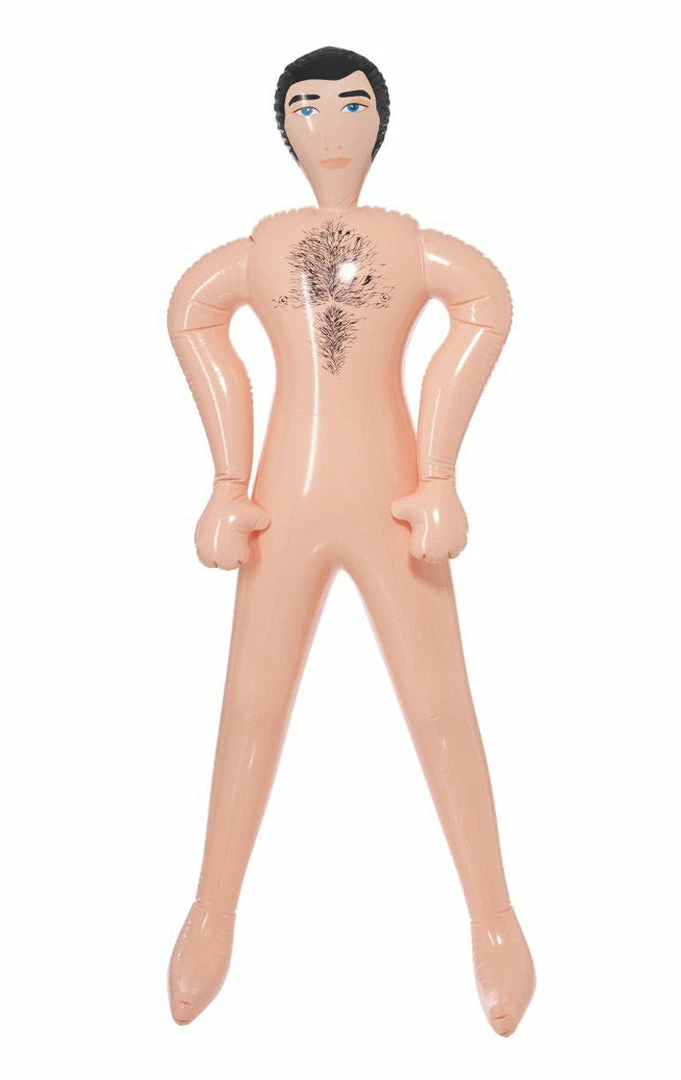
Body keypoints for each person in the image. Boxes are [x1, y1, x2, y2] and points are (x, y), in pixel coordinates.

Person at [167, 45, 535, 1037]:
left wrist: (439, 472)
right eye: (306, 106)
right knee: (250, 702)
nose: (330, 125)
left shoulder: (409, 245)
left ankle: (493, 916)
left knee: (440, 702)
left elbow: (486, 302)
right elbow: (192, 316)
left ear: (381, 121)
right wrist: (228, 481)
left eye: (351, 103)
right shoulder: (262, 247)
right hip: (281, 504)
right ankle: (211, 910)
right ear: (282, 129)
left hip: (392, 502)